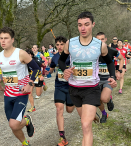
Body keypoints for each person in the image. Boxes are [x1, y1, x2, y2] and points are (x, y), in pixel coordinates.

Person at [58, 12, 117, 146]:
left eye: (86, 24)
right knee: (84, 123)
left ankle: (92, 116)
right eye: (80, 25)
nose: (83, 28)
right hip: (74, 89)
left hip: (91, 89)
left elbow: (110, 62)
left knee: (85, 125)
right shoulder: (70, 43)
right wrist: (65, 69)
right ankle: (92, 115)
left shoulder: (99, 45)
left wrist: (112, 77)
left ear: (93, 25)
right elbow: (61, 61)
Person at [0, 27, 39, 146]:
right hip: (8, 94)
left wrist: (30, 84)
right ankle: (25, 143)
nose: (3, 41)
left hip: (21, 94)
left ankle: (27, 120)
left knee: (14, 124)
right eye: (1, 38)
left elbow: (36, 68)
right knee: (13, 126)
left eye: (6, 38)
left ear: (12, 40)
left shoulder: (20, 53)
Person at [45, 36, 75, 146]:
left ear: (66, 44)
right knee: (59, 109)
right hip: (59, 86)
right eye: (57, 44)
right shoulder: (55, 57)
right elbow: (52, 69)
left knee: (70, 110)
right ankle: (62, 138)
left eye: (62, 44)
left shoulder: (73, 55)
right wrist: (47, 70)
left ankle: (77, 103)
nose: (59, 47)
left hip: (72, 87)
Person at [96, 32, 124, 123]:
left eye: (102, 39)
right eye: (98, 40)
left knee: (104, 98)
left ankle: (109, 100)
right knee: (97, 99)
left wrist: (118, 71)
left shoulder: (112, 50)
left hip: (108, 78)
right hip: (96, 80)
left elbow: (122, 59)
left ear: (106, 39)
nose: (101, 41)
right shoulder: (93, 52)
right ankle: (104, 114)